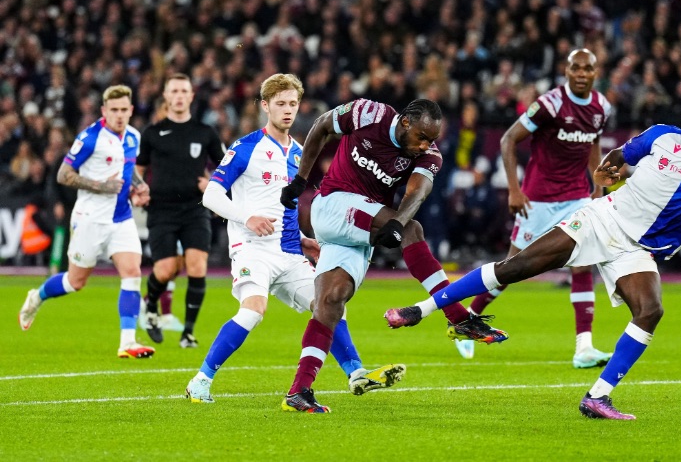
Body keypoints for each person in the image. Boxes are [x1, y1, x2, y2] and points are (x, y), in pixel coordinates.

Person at [385, 90, 681, 420]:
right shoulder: (662, 137)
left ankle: (597, 397)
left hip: (638, 250)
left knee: (651, 310)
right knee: (516, 267)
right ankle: (421, 309)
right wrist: (613, 167)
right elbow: (624, 152)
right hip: (604, 220)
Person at [185, 74, 404, 410]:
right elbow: (211, 195)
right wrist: (247, 218)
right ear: (265, 106)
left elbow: (284, 206)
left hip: (288, 251)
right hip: (251, 247)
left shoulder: (300, 153)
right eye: (280, 104)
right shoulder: (246, 148)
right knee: (253, 311)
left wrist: (303, 240)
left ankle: (356, 373)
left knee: (329, 307)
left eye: (292, 104)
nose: (287, 111)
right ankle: (200, 380)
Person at [279, 97, 508, 406]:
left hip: (356, 232)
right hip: (333, 203)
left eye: (432, 140)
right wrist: (301, 179)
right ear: (405, 123)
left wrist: (397, 221)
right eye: (422, 137)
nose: (426, 145)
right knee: (413, 231)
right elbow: (321, 126)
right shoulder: (367, 113)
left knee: (331, 301)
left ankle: (299, 391)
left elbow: (418, 190)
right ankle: (458, 317)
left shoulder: (430, 156)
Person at [464, 48, 614, 367]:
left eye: (588, 69)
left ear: (595, 73)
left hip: (576, 197)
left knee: (583, 264)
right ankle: (468, 319)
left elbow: (593, 148)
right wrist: (514, 190)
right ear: (566, 70)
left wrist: (598, 188)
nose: (582, 73)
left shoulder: (602, 107)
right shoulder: (550, 104)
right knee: (511, 269)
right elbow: (507, 140)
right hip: (539, 198)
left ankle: (583, 347)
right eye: (576, 68)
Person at [18, 85, 156, 359]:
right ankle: (38, 296)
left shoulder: (133, 137)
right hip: (90, 218)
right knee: (75, 282)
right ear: (104, 111)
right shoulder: (90, 137)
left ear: (131, 110)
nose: (119, 115)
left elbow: (128, 172)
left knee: (132, 272)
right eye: (113, 110)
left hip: (121, 217)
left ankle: (127, 342)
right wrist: (99, 185)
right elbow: (63, 174)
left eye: (123, 110)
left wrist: (139, 188)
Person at [138, 74, 226, 348]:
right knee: (164, 270)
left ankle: (188, 332)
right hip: (161, 210)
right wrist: (138, 189)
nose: (178, 95)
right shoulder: (152, 133)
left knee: (197, 266)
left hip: (194, 209)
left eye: (183, 91)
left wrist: (212, 182)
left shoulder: (205, 132)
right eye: (173, 90)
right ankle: (150, 306)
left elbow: (226, 168)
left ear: (191, 96)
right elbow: (137, 171)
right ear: (166, 96)